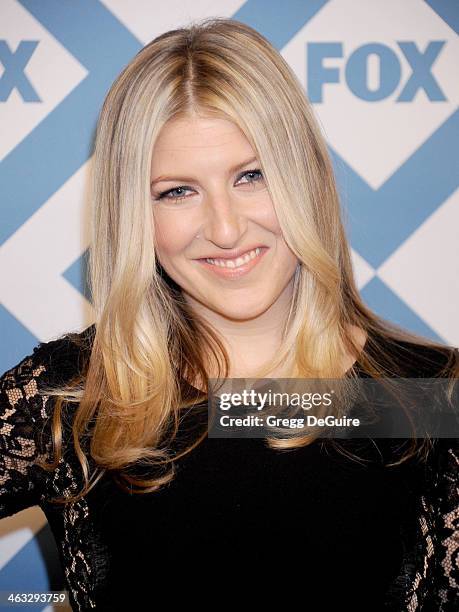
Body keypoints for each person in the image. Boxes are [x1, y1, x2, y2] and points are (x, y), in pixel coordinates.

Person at [1, 17, 458, 612]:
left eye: (252, 176)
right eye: (177, 191)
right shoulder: (71, 394)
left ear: (305, 179)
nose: (224, 228)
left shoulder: (431, 395)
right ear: (134, 215)